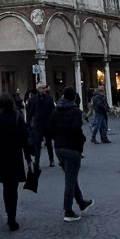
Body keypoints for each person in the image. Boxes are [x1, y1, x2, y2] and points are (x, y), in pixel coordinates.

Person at [47, 86, 94, 222]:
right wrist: (81, 144)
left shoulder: (56, 110)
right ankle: (68, 210)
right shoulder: (75, 111)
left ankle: (81, 203)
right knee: (70, 180)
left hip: (59, 147)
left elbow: (49, 129)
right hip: (71, 148)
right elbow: (76, 130)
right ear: (74, 97)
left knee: (71, 176)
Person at [0, 92, 32, 232]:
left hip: (1, 155)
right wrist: (28, 157)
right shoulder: (17, 117)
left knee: (5, 186)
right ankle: (12, 217)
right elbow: (24, 139)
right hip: (15, 155)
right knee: (13, 189)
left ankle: (8, 212)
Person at [28, 84, 56, 169]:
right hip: (38, 124)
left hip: (47, 124)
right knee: (37, 143)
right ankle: (37, 160)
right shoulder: (33, 100)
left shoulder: (49, 99)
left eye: (45, 88)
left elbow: (53, 111)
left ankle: (51, 159)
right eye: (43, 88)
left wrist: (53, 122)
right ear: (38, 89)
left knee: (49, 143)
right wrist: (28, 124)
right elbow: (30, 112)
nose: (45, 90)